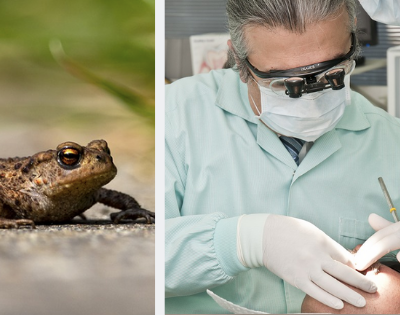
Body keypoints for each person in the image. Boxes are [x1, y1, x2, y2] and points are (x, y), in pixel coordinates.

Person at [165, 0, 400, 313]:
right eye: (282, 82)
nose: (312, 100)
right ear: (239, 60)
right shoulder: (173, 113)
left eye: (331, 73)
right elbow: (146, 256)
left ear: (353, 45)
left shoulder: (391, 141)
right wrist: (241, 241)